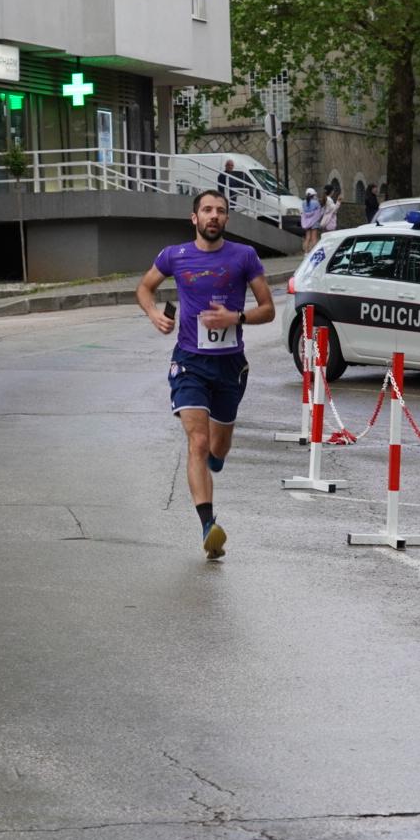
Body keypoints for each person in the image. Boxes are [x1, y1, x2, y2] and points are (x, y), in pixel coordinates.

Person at [135, 189, 275, 560]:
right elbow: (145, 288)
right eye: (207, 210)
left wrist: (236, 317)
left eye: (221, 211)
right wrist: (154, 314)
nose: (214, 216)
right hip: (189, 363)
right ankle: (208, 526)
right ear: (194, 217)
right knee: (197, 441)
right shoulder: (174, 255)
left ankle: (216, 459)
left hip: (230, 365)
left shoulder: (244, 256)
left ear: (226, 218)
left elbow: (268, 309)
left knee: (217, 448)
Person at [300, 187, 322, 252]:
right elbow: (320, 210)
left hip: (307, 222)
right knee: (314, 238)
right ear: (313, 195)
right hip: (314, 221)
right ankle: (313, 252)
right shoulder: (316, 202)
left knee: (307, 237)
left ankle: (306, 252)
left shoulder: (303, 202)